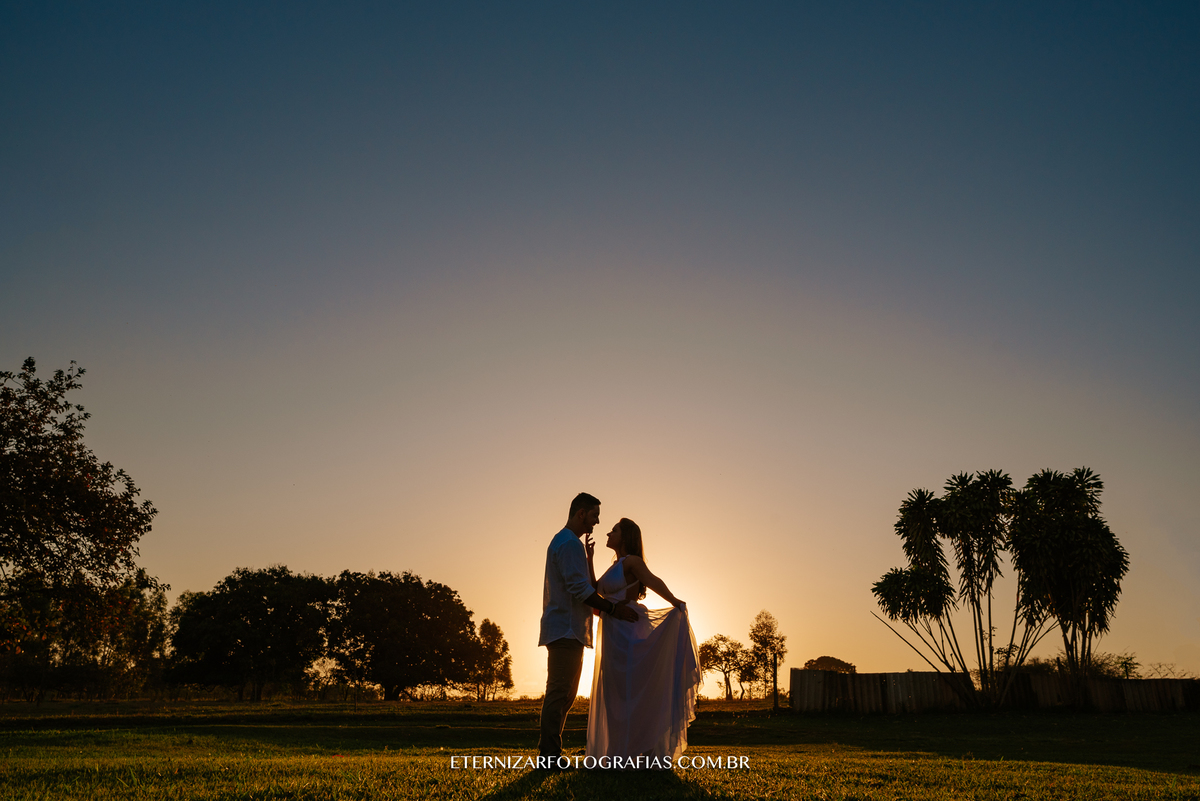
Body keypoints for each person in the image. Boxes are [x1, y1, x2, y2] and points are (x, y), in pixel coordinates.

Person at [586, 517, 701, 761]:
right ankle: (620, 751)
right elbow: (595, 589)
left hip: (629, 630)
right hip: (611, 631)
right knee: (613, 692)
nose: (608, 533)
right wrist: (589, 558)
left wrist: (674, 601)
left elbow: (652, 580)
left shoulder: (632, 562)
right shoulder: (614, 565)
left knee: (634, 689)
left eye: (614, 530)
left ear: (625, 536)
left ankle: (645, 748)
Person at [538, 492, 639, 763]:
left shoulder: (571, 543)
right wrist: (613, 608)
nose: (596, 523)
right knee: (559, 692)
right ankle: (548, 756)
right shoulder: (569, 543)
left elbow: (583, 585)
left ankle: (552, 752)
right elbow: (580, 589)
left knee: (566, 695)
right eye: (594, 516)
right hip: (565, 628)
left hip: (571, 629)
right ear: (581, 513)